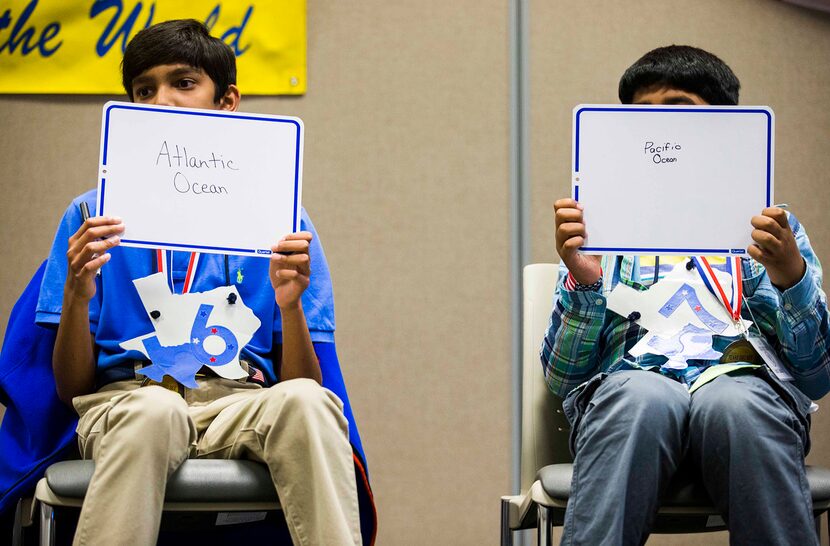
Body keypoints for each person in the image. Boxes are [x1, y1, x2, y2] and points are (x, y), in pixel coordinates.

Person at [36, 19, 362, 546]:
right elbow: (70, 389)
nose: (161, 101)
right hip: (129, 402)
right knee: (155, 408)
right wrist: (76, 295)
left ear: (226, 101)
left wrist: (292, 307)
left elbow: (306, 381)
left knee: (309, 402)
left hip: (241, 402)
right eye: (144, 90)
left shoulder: (281, 221)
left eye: (183, 83)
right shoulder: (92, 217)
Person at [542, 45, 830, 545]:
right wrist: (586, 281)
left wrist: (789, 275)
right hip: (633, 397)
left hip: (743, 398)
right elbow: (561, 378)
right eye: (643, 116)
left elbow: (817, 376)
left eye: (678, 107)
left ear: (725, 126)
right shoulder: (602, 228)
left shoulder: (766, 230)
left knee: (738, 404)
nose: (660, 129)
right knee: (638, 397)